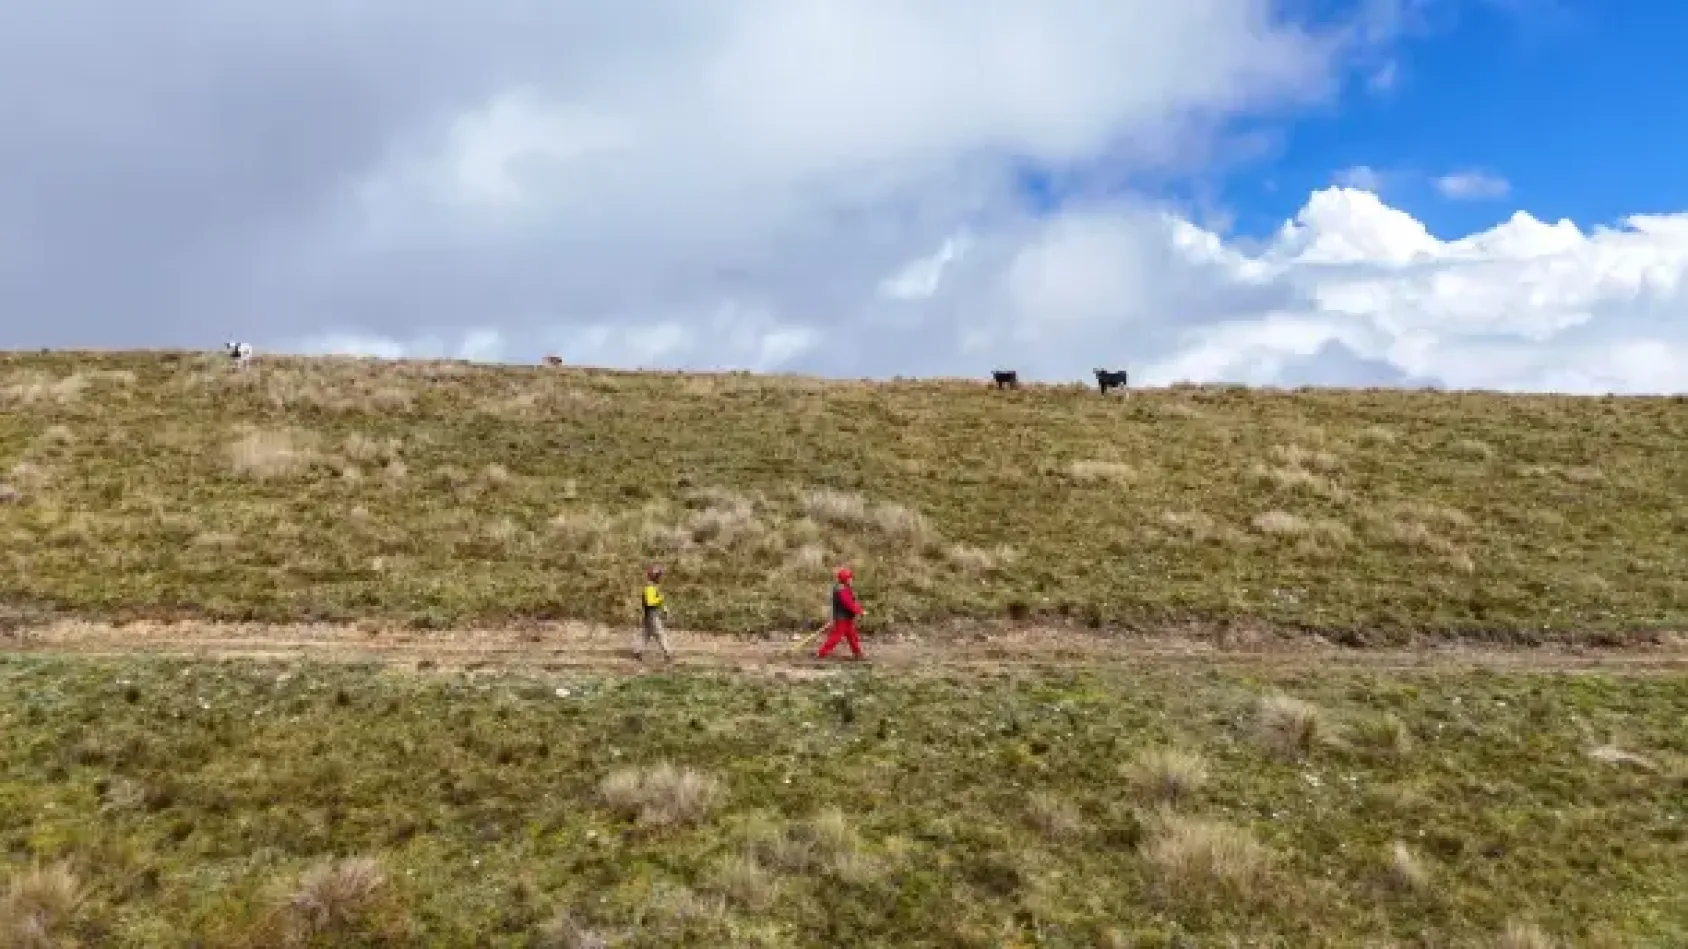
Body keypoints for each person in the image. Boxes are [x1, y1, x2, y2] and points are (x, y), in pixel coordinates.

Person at [817, 566, 867, 660]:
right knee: (836, 637)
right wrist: (860, 611)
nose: (852, 580)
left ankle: (857, 653)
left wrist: (858, 610)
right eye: (850, 578)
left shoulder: (843, 588)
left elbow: (852, 603)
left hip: (846, 618)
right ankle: (822, 653)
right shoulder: (842, 590)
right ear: (845, 579)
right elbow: (849, 604)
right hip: (842, 618)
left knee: (852, 636)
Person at [636, 564, 673, 662]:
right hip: (652, 615)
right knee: (660, 634)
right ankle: (668, 653)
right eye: (659, 576)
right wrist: (661, 598)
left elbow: (656, 601)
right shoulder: (649, 588)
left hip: (650, 614)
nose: (660, 578)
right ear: (655, 576)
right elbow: (650, 602)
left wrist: (664, 608)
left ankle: (638, 651)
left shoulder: (652, 587)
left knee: (646, 634)